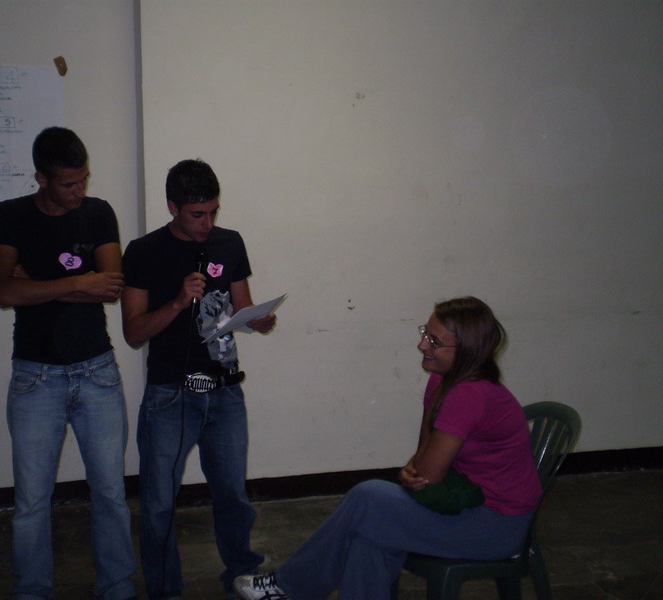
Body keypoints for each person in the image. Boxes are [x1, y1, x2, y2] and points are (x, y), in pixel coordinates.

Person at [233, 296, 543, 600]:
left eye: (435, 341)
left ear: (468, 350)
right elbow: (422, 458)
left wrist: (416, 471)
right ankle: (289, 589)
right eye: (425, 333)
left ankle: (289, 588)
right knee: (370, 536)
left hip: (494, 526)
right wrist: (412, 469)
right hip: (463, 501)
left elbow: (427, 475)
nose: (422, 345)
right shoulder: (441, 381)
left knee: (367, 496)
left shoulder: (470, 394)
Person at [0, 127, 137, 600]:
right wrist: (76, 282)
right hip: (35, 377)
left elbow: (111, 286)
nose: (79, 191)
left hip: (97, 372)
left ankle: (116, 586)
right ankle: (32, 591)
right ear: (41, 179)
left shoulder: (99, 212)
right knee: (31, 501)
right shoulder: (9, 216)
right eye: (69, 183)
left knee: (110, 492)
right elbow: (4, 292)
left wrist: (38, 283)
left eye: (83, 179)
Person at [121, 158, 276, 600]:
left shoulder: (230, 242)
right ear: (173, 207)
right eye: (197, 214)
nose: (207, 223)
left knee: (233, 497)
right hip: (171, 395)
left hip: (225, 391)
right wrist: (176, 302)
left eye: (213, 211)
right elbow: (133, 333)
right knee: (159, 505)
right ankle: (165, 589)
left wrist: (257, 321)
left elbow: (242, 307)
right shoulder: (144, 251)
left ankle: (242, 577)